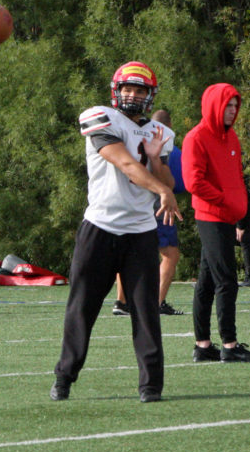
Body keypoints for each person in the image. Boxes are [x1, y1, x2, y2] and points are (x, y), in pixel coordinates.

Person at [51, 62, 181, 403]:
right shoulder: (98, 116)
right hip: (101, 227)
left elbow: (168, 182)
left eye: (140, 90)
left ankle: (151, 386)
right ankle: (64, 377)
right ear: (115, 89)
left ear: (150, 95)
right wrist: (161, 190)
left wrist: (155, 160)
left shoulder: (160, 134)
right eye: (128, 88)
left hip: (140, 232)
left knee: (146, 312)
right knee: (82, 307)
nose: (133, 95)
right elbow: (122, 162)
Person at [182, 83, 250, 363]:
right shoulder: (196, 137)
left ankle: (203, 346)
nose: (232, 111)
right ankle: (229, 346)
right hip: (211, 216)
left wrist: (240, 210)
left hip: (228, 216)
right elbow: (193, 181)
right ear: (214, 106)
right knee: (227, 281)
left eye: (235, 106)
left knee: (206, 282)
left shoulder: (232, 139)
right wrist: (224, 201)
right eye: (227, 106)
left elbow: (236, 179)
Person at [111, 109, 186, 316]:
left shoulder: (126, 139)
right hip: (157, 203)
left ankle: (121, 301)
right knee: (170, 254)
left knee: (127, 252)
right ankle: (157, 302)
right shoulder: (168, 146)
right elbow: (176, 183)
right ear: (167, 126)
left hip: (129, 203)